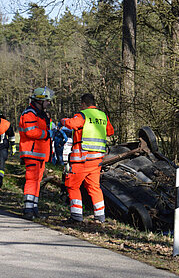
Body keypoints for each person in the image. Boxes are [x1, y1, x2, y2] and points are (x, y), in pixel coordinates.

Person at [59, 93, 114, 223]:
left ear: (83, 103)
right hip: (97, 160)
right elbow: (110, 131)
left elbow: (71, 124)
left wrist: (63, 121)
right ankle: (100, 217)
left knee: (72, 185)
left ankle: (76, 216)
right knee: (94, 187)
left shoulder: (82, 115)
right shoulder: (103, 116)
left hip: (81, 159)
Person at [19, 87, 55, 219]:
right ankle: (28, 209)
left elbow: (46, 125)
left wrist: (54, 128)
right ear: (40, 101)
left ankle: (33, 208)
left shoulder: (41, 114)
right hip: (32, 153)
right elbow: (31, 131)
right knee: (31, 180)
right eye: (47, 101)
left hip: (40, 154)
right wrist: (47, 133)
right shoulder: (29, 114)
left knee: (36, 181)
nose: (49, 103)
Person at [0, 113, 16, 188]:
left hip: (2, 148)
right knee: (1, 165)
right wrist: (13, 146)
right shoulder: (6, 124)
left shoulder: (5, 124)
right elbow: (11, 135)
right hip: (3, 148)